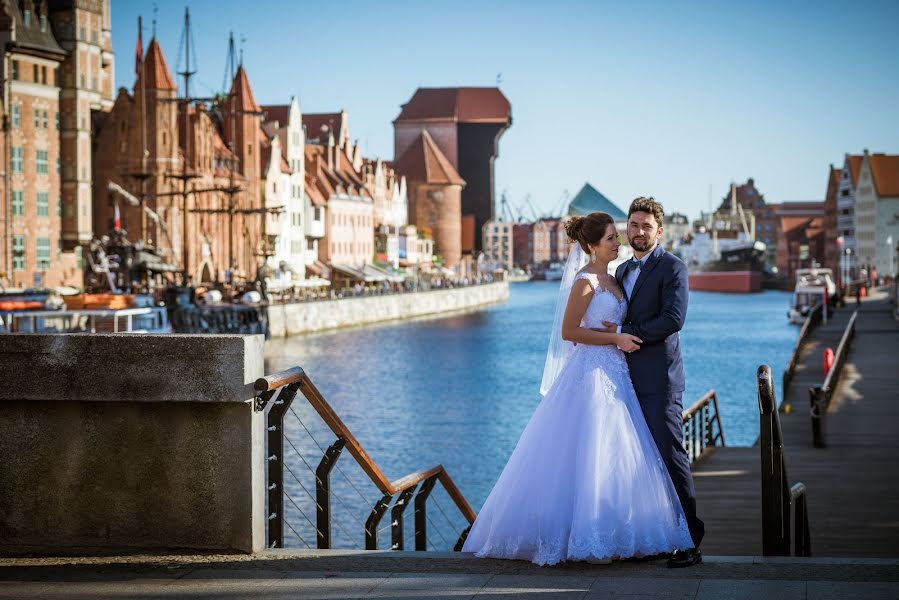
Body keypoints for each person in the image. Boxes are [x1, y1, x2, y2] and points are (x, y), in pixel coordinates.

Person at [462, 210, 693, 566]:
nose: (621, 241)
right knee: (590, 451)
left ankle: (630, 535)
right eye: (613, 237)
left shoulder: (619, 275)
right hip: (593, 374)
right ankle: (584, 535)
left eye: (621, 234)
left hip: (623, 375)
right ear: (591, 245)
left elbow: (665, 318)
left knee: (623, 455)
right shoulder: (586, 280)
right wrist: (614, 336)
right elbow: (569, 333)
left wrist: (614, 335)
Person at [606, 197, 704, 567]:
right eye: (633, 225)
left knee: (670, 455)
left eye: (647, 226)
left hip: (659, 380)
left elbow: (672, 320)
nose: (639, 232)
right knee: (635, 460)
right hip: (623, 379)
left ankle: (691, 541)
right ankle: (651, 538)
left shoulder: (673, 268)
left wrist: (622, 332)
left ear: (659, 231)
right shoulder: (621, 271)